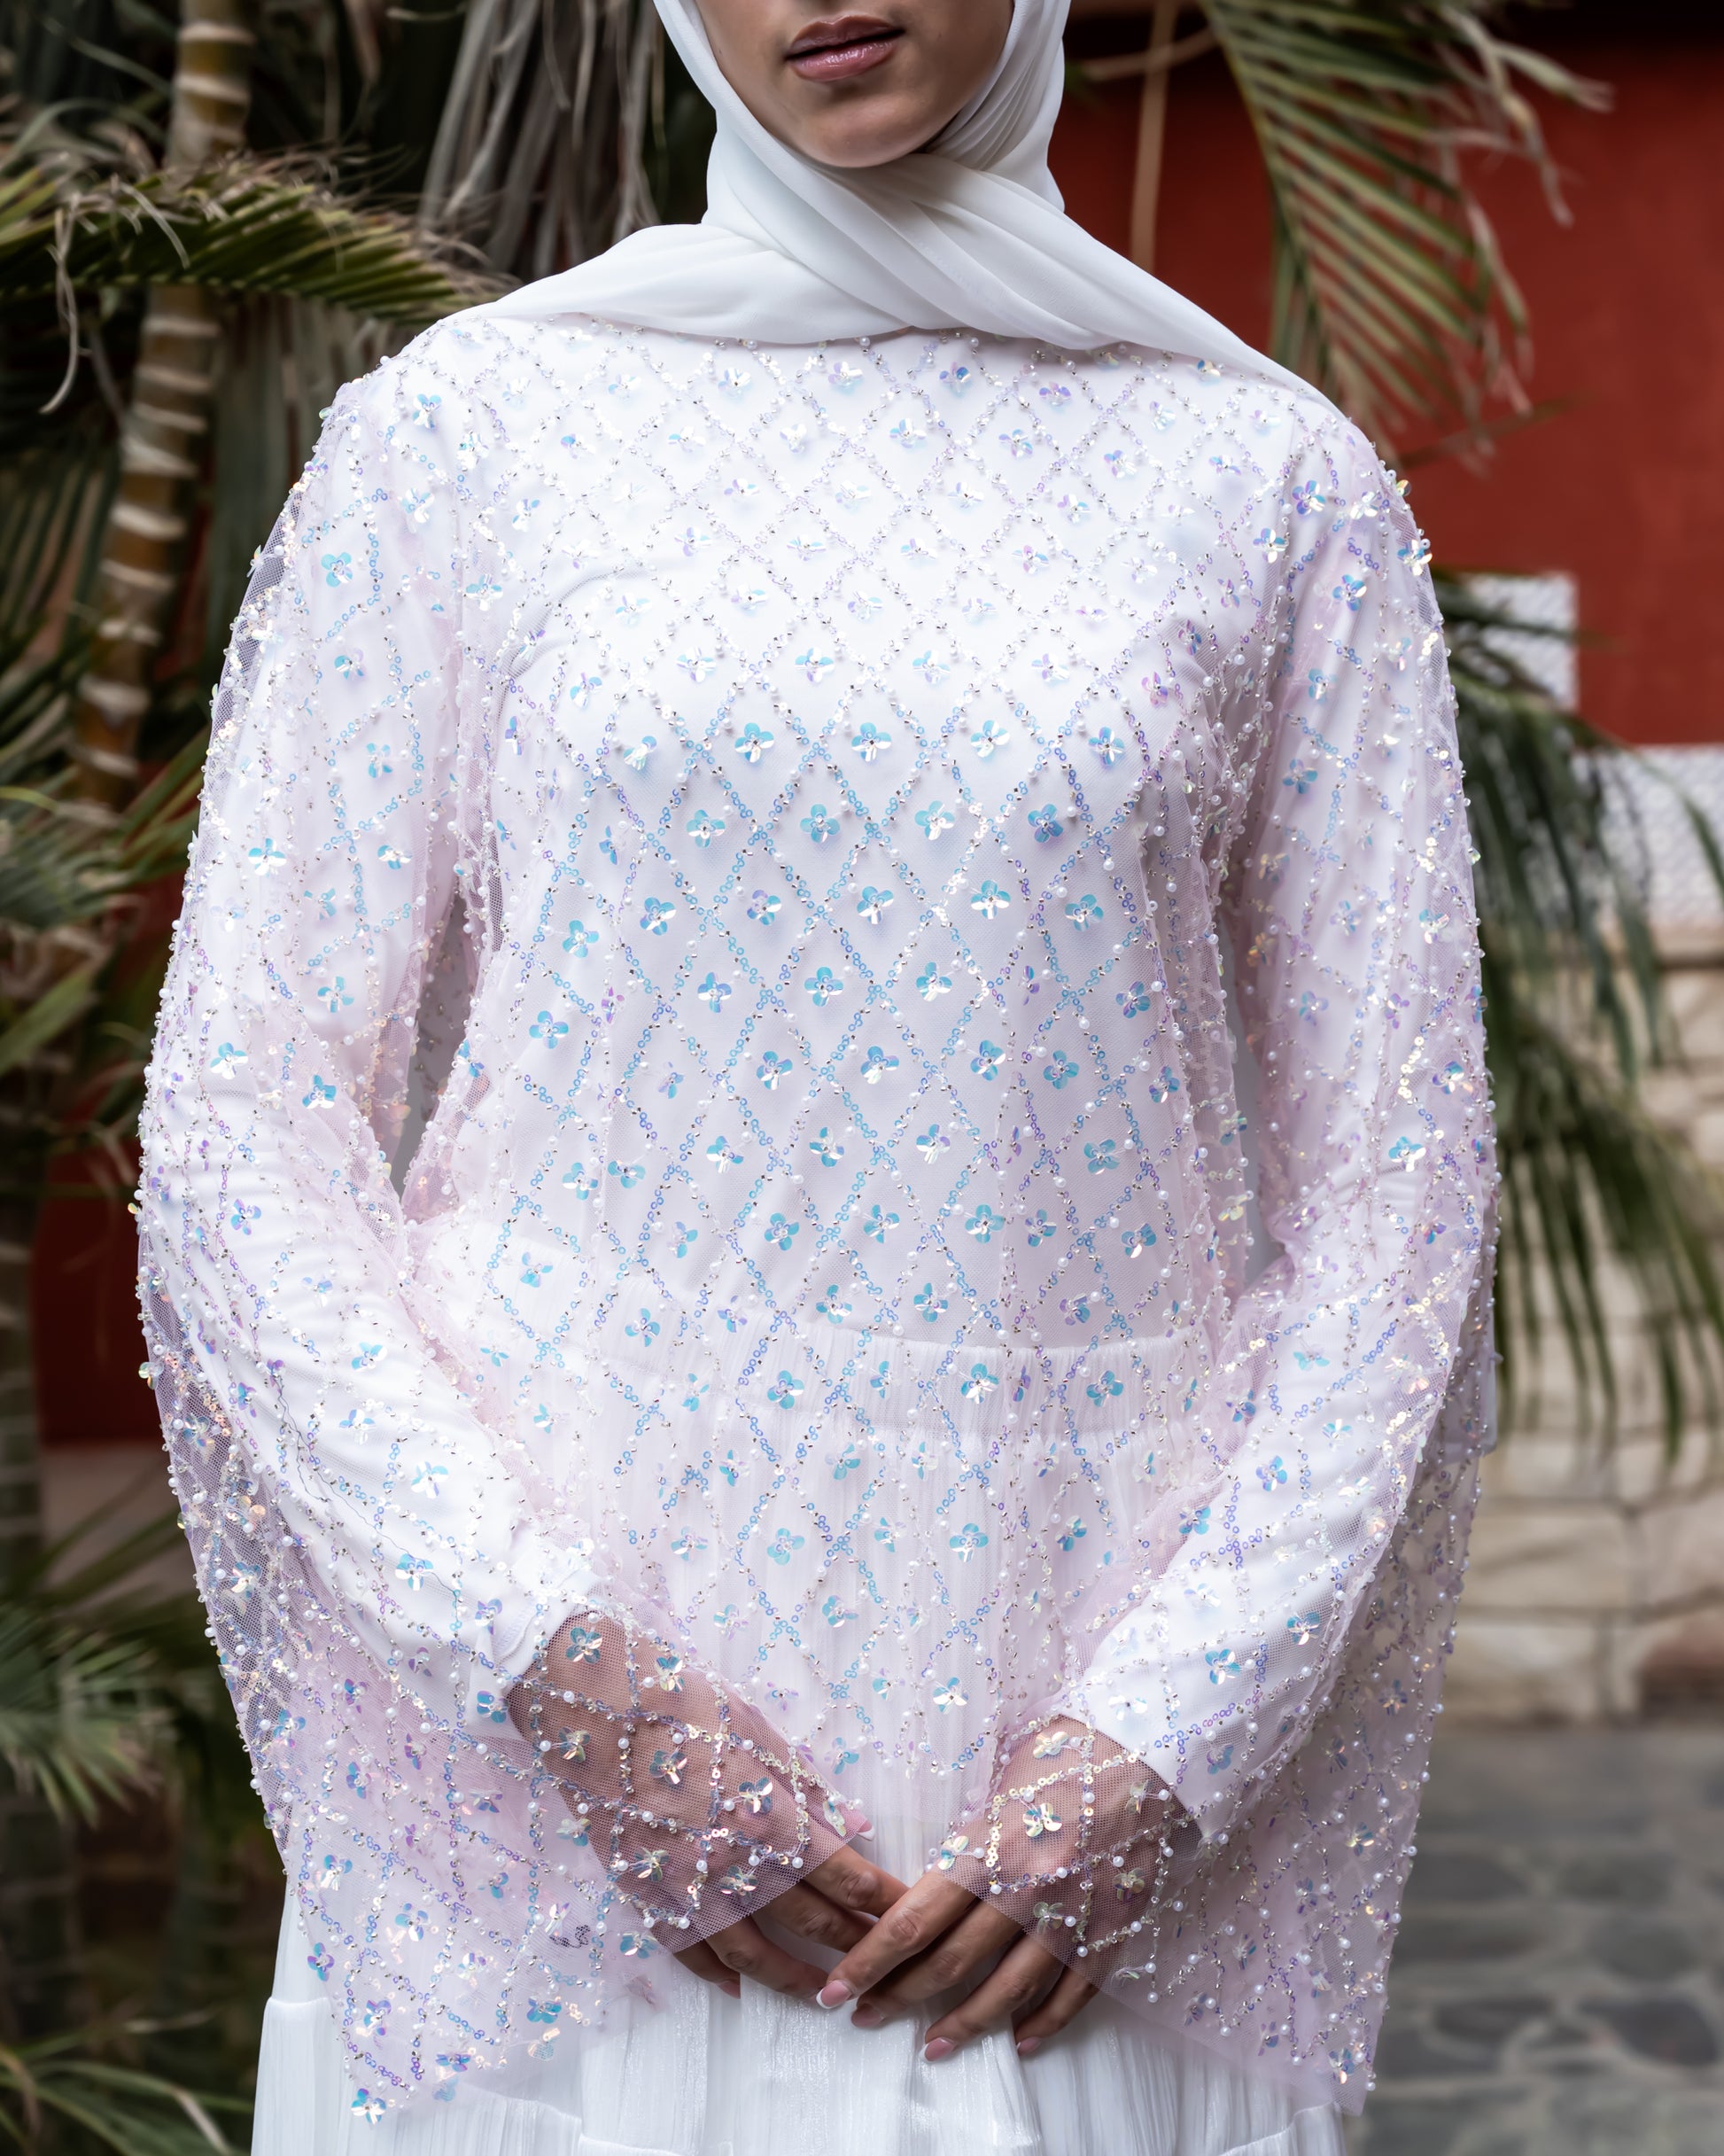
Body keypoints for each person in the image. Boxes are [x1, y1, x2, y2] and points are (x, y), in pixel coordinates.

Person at [136, 3, 1495, 2150]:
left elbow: (1396, 1200)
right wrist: (568, 1681)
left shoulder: (1266, 484)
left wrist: (1161, 1743)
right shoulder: (469, 435)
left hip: (1065, 1772)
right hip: (554, 1743)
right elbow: (242, 1128)